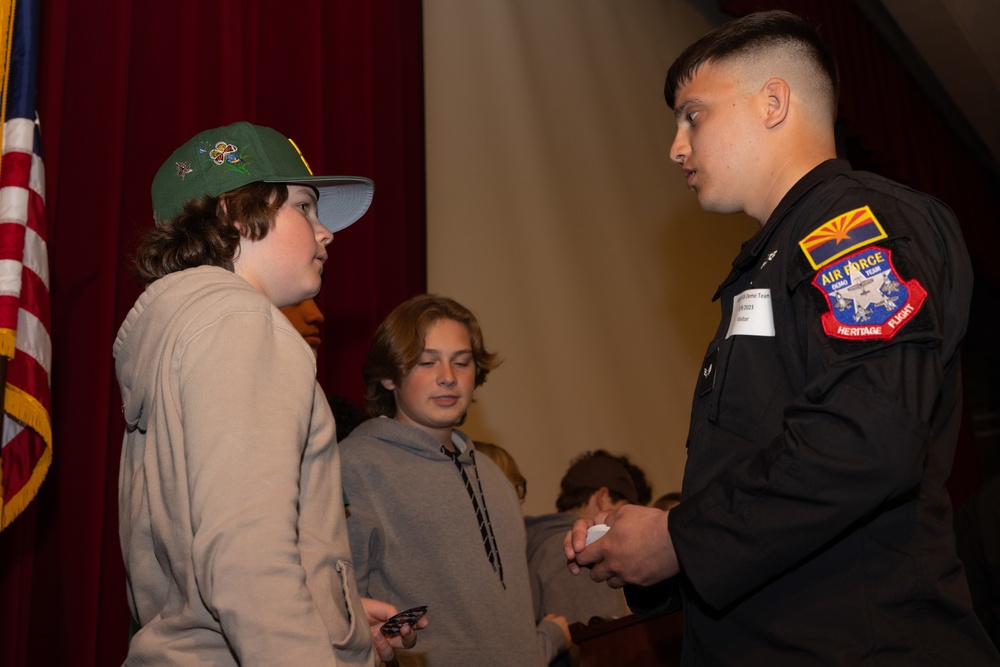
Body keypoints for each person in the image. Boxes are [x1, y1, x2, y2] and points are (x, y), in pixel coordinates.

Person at [565, 11, 1000, 665]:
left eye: (693, 116)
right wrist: (647, 547)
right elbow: (774, 475)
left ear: (773, 101)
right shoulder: (771, 259)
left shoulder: (852, 226)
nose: (676, 147)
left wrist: (682, 537)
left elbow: (869, 434)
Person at [115, 121, 425, 665]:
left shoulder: (183, 333)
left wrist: (337, 624)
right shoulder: (242, 322)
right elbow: (245, 557)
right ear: (237, 216)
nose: (326, 232)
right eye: (305, 207)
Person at [340, 294, 569, 666]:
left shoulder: (495, 477)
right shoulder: (356, 466)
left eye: (461, 362)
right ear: (388, 375)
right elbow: (338, 611)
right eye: (427, 362)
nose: (448, 377)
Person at [526, 451, 634, 630]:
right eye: (623, 510)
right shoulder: (585, 549)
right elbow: (606, 643)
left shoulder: (540, 544)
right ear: (602, 498)